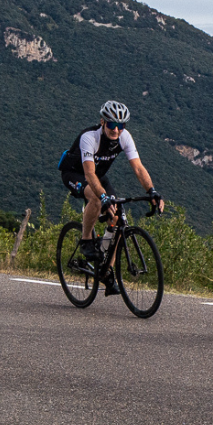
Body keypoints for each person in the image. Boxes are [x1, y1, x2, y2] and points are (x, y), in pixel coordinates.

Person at [58, 100, 164, 289]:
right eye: (112, 124)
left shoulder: (124, 137)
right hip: (75, 173)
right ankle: (86, 241)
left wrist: (152, 191)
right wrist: (104, 197)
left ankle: (106, 271)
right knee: (97, 199)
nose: (116, 130)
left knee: (118, 219)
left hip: (99, 176)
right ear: (102, 122)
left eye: (121, 125)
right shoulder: (89, 138)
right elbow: (89, 174)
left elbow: (138, 168)